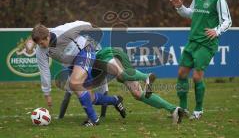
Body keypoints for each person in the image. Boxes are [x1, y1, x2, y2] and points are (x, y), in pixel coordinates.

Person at [31, 21, 126, 126]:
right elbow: (44, 71)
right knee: (89, 97)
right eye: (38, 44)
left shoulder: (63, 31)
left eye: (41, 43)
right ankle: (115, 100)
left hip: (85, 52)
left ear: (47, 36)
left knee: (74, 83)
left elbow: (83, 24)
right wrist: (47, 93)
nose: (40, 46)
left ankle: (93, 119)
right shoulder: (40, 51)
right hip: (72, 64)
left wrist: (91, 31)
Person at [57, 47, 185, 124]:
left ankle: (146, 76)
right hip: (113, 60)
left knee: (120, 74)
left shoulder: (80, 70)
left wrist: (92, 118)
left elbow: (95, 91)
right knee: (138, 94)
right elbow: (93, 93)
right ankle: (174, 109)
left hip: (107, 54)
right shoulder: (81, 76)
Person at [169, 0, 232, 119]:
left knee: (197, 77)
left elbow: (227, 21)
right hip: (193, 41)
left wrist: (216, 31)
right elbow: (191, 14)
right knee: (181, 74)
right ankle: (183, 109)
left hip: (207, 43)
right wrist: (179, 7)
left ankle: (198, 110)